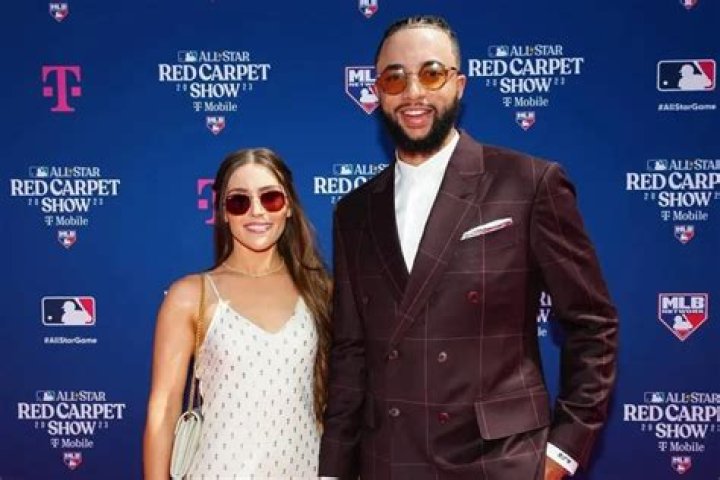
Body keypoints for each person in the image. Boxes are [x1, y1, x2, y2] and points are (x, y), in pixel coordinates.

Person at [318, 15, 618, 480]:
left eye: (431, 74)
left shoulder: (528, 183)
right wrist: (333, 470)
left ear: (459, 85)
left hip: (499, 460)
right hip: (390, 461)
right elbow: (350, 353)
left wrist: (562, 450)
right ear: (377, 92)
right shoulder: (354, 212)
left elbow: (593, 324)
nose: (413, 92)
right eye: (395, 78)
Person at [143, 148, 332, 479]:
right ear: (223, 213)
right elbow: (164, 409)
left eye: (270, 198)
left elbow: (339, 403)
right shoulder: (191, 295)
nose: (257, 211)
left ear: (288, 206)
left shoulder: (320, 291)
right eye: (239, 201)